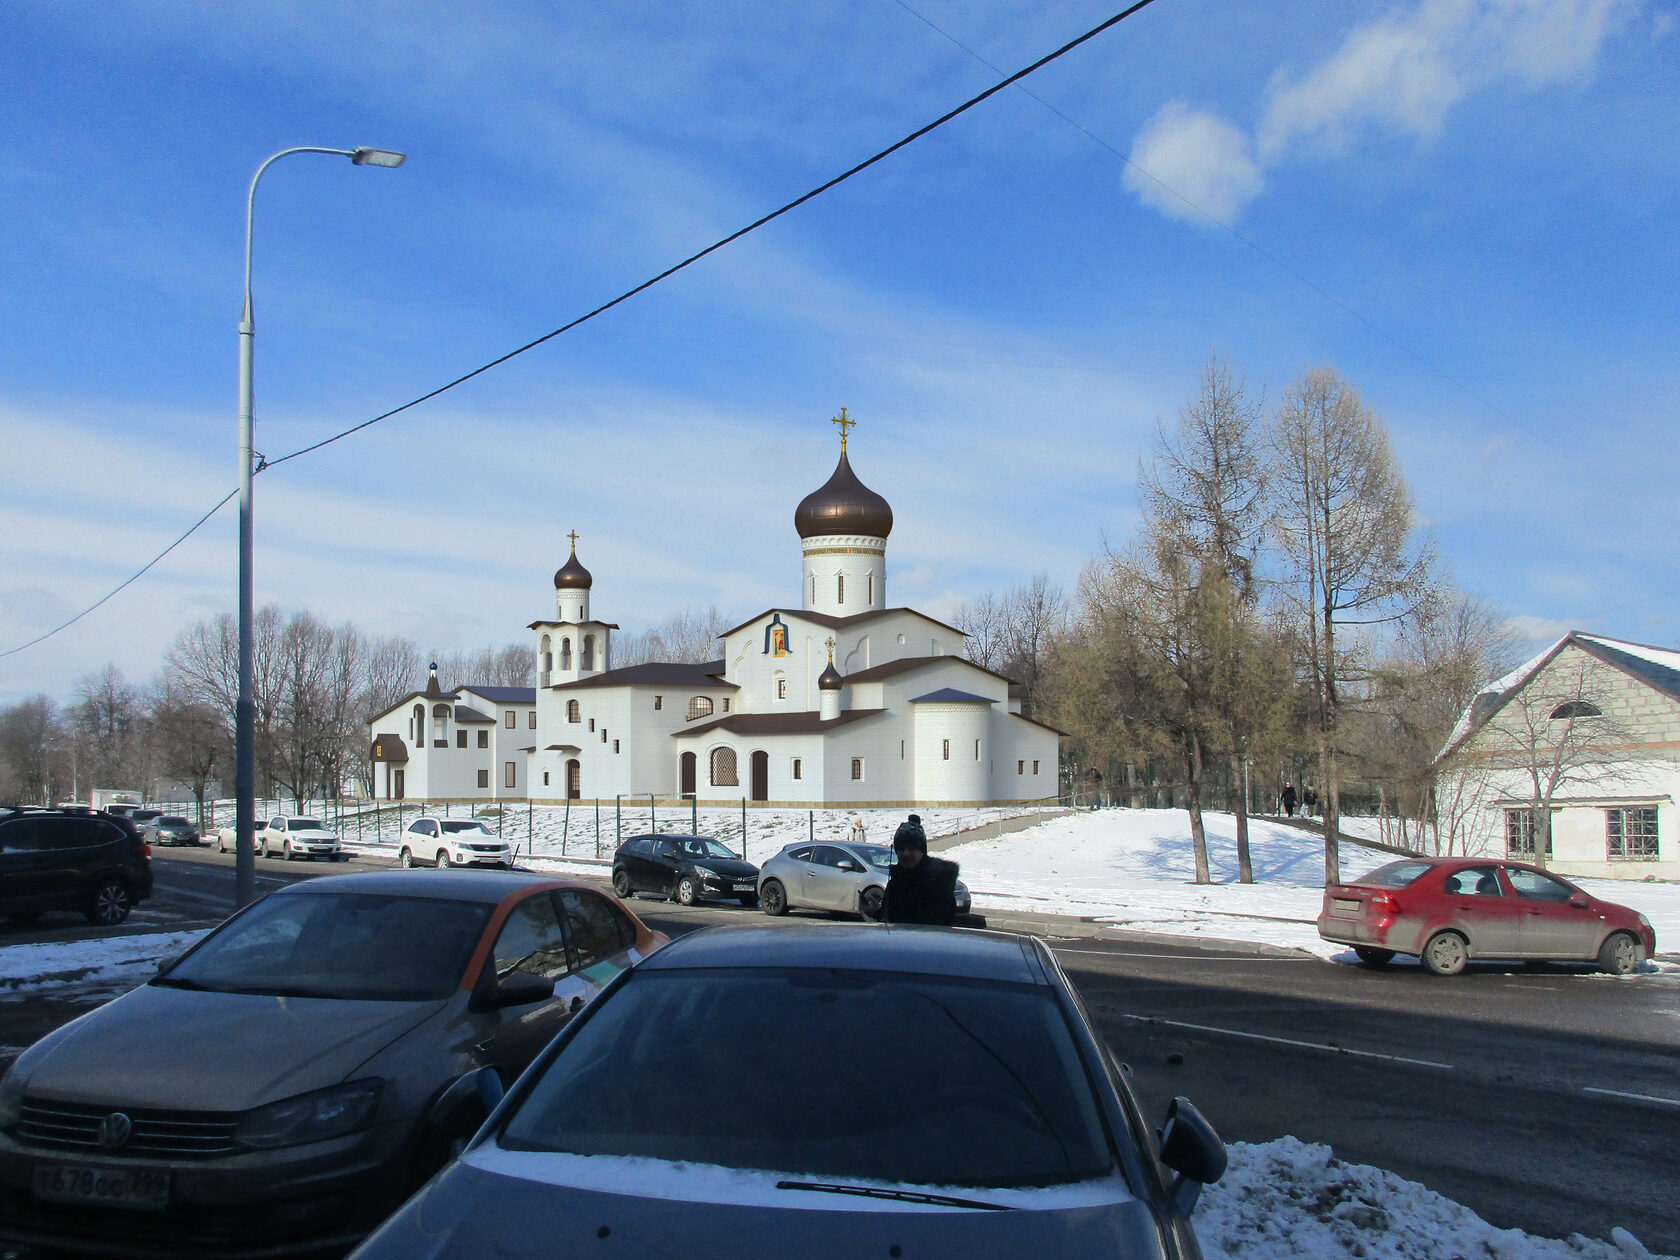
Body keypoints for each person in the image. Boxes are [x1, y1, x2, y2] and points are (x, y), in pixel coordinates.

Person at [883, 815, 959, 926]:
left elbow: (926, 925)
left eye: (911, 848)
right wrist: (875, 911)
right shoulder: (895, 881)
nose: (905, 853)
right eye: (901, 848)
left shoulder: (938, 882)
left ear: (922, 851)